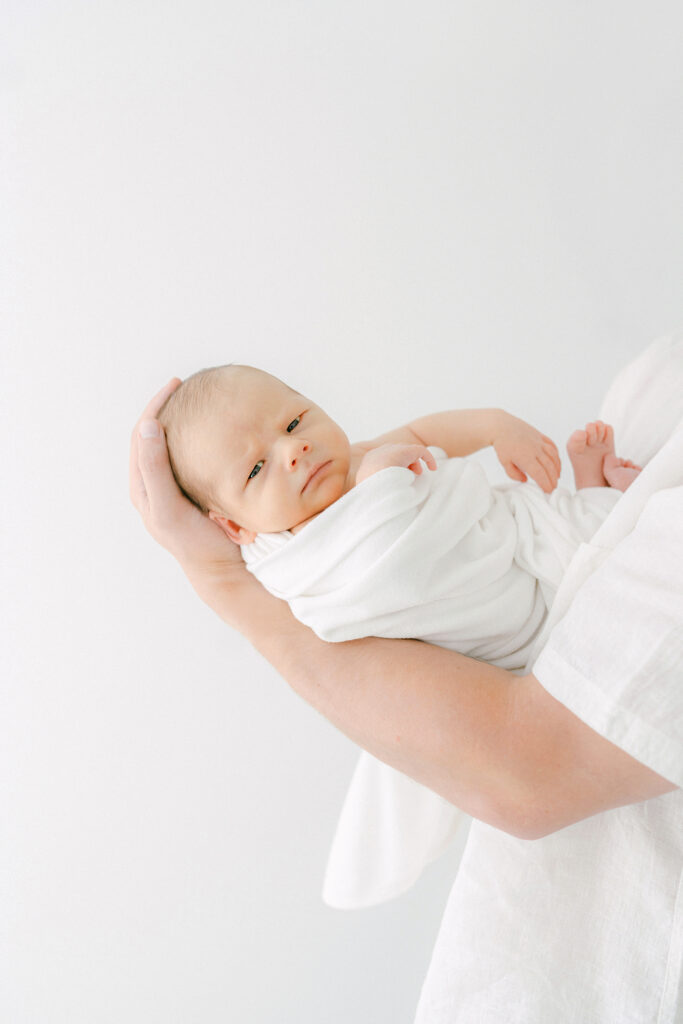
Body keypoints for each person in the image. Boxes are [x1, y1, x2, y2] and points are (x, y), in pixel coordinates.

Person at [129, 332, 682, 1022]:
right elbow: (367, 588)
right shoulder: (293, 563)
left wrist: (487, 428)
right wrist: (233, 571)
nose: (293, 449)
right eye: (255, 470)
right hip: (506, 647)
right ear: (235, 528)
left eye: (295, 420)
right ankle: (597, 497)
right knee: (572, 550)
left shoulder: (349, 473)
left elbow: (534, 770)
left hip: (525, 586)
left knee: (566, 538)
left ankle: (596, 495)